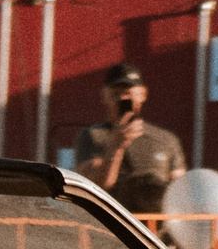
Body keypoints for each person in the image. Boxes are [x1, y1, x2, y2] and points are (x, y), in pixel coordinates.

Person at [73, 63, 185, 215]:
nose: (122, 98)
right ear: (104, 96)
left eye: (127, 93)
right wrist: (116, 145)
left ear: (143, 94)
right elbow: (97, 186)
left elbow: (181, 195)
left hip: (155, 228)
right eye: (115, 94)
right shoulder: (92, 136)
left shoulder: (165, 139)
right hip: (112, 226)